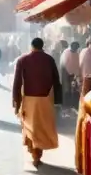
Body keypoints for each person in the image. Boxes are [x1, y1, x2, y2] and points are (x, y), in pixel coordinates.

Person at [13, 37, 63, 166]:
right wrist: (58, 101)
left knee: (31, 127)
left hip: (29, 100)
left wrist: (16, 102)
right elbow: (56, 81)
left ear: (31, 46)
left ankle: (34, 153)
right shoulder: (49, 59)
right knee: (41, 127)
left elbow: (17, 83)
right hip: (45, 100)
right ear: (42, 46)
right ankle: (37, 154)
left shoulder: (23, 60)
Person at [61, 41, 81, 107]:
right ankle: (66, 104)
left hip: (73, 74)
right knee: (66, 89)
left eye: (76, 48)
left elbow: (77, 64)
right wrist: (69, 73)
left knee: (74, 88)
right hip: (65, 72)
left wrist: (76, 74)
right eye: (75, 48)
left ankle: (74, 104)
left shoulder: (77, 54)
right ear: (72, 46)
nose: (75, 49)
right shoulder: (66, 52)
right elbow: (64, 63)